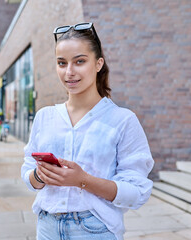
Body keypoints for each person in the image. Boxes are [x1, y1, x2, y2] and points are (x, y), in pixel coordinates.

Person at [21, 22, 154, 240]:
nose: (69, 72)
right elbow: (28, 173)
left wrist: (82, 180)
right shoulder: (45, 117)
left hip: (95, 229)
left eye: (80, 61)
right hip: (47, 227)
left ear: (98, 63)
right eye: (61, 63)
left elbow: (137, 192)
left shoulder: (122, 120)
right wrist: (39, 175)